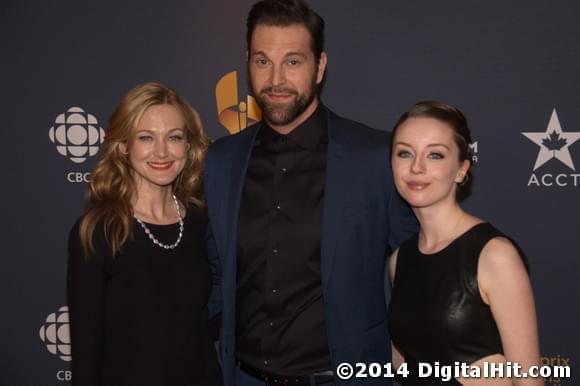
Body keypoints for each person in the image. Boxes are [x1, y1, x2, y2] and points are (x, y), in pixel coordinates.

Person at [204, 1, 417, 385]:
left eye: (293, 61)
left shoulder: (374, 158)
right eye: (262, 61)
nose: (276, 79)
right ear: (247, 63)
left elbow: (421, 266)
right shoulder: (220, 161)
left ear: (320, 67)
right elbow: (215, 270)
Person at [67, 82, 223, 386]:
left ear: (188, 146)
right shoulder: (99, 232)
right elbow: (86, 353)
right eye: (146, 138)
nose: (162, 151)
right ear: (124, 146)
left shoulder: (200, 221)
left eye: (174, 137)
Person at [388, 101, 542, 385]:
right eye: (404, 153)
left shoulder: (494, 255)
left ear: (461, 170)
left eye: (435, 155)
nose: (417, 167)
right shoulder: (400, 259)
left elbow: (528, 380)